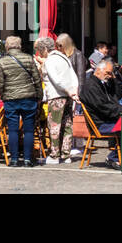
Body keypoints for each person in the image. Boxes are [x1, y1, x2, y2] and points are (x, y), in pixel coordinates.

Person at [0, 36, 43, 167]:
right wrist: (39, 96)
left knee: (12, 130)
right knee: (29, 130)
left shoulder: (3, 61)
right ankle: (28, 159)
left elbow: (0, 82)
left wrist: (3, 95)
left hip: (11, 99)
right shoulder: (28, 58)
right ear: (20, 46)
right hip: (29, 97)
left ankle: (14, 159)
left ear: (7, 46)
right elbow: (37, 79)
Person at [79, 58, 122, 167]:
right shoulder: (91, 86)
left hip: (106, 119)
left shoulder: (102, 83)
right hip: (101, 123)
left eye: (111, 73)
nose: (109, 75)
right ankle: (113, 157)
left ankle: (120, 156)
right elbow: (104, 108)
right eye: (108, 73)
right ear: (98, 70)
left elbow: (116, 98)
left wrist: (114, 80)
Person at [41, 36, 78, 165]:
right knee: (67, 125)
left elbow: (56, 80)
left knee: (54, 126)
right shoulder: (64, 58)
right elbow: (74, 77)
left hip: (56, 96)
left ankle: (55, 155)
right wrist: (74, 91)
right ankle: (66, 154)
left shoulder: (50, 61)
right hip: (68, 97)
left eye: (41, 51)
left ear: (45, 49)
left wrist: (67, 90)